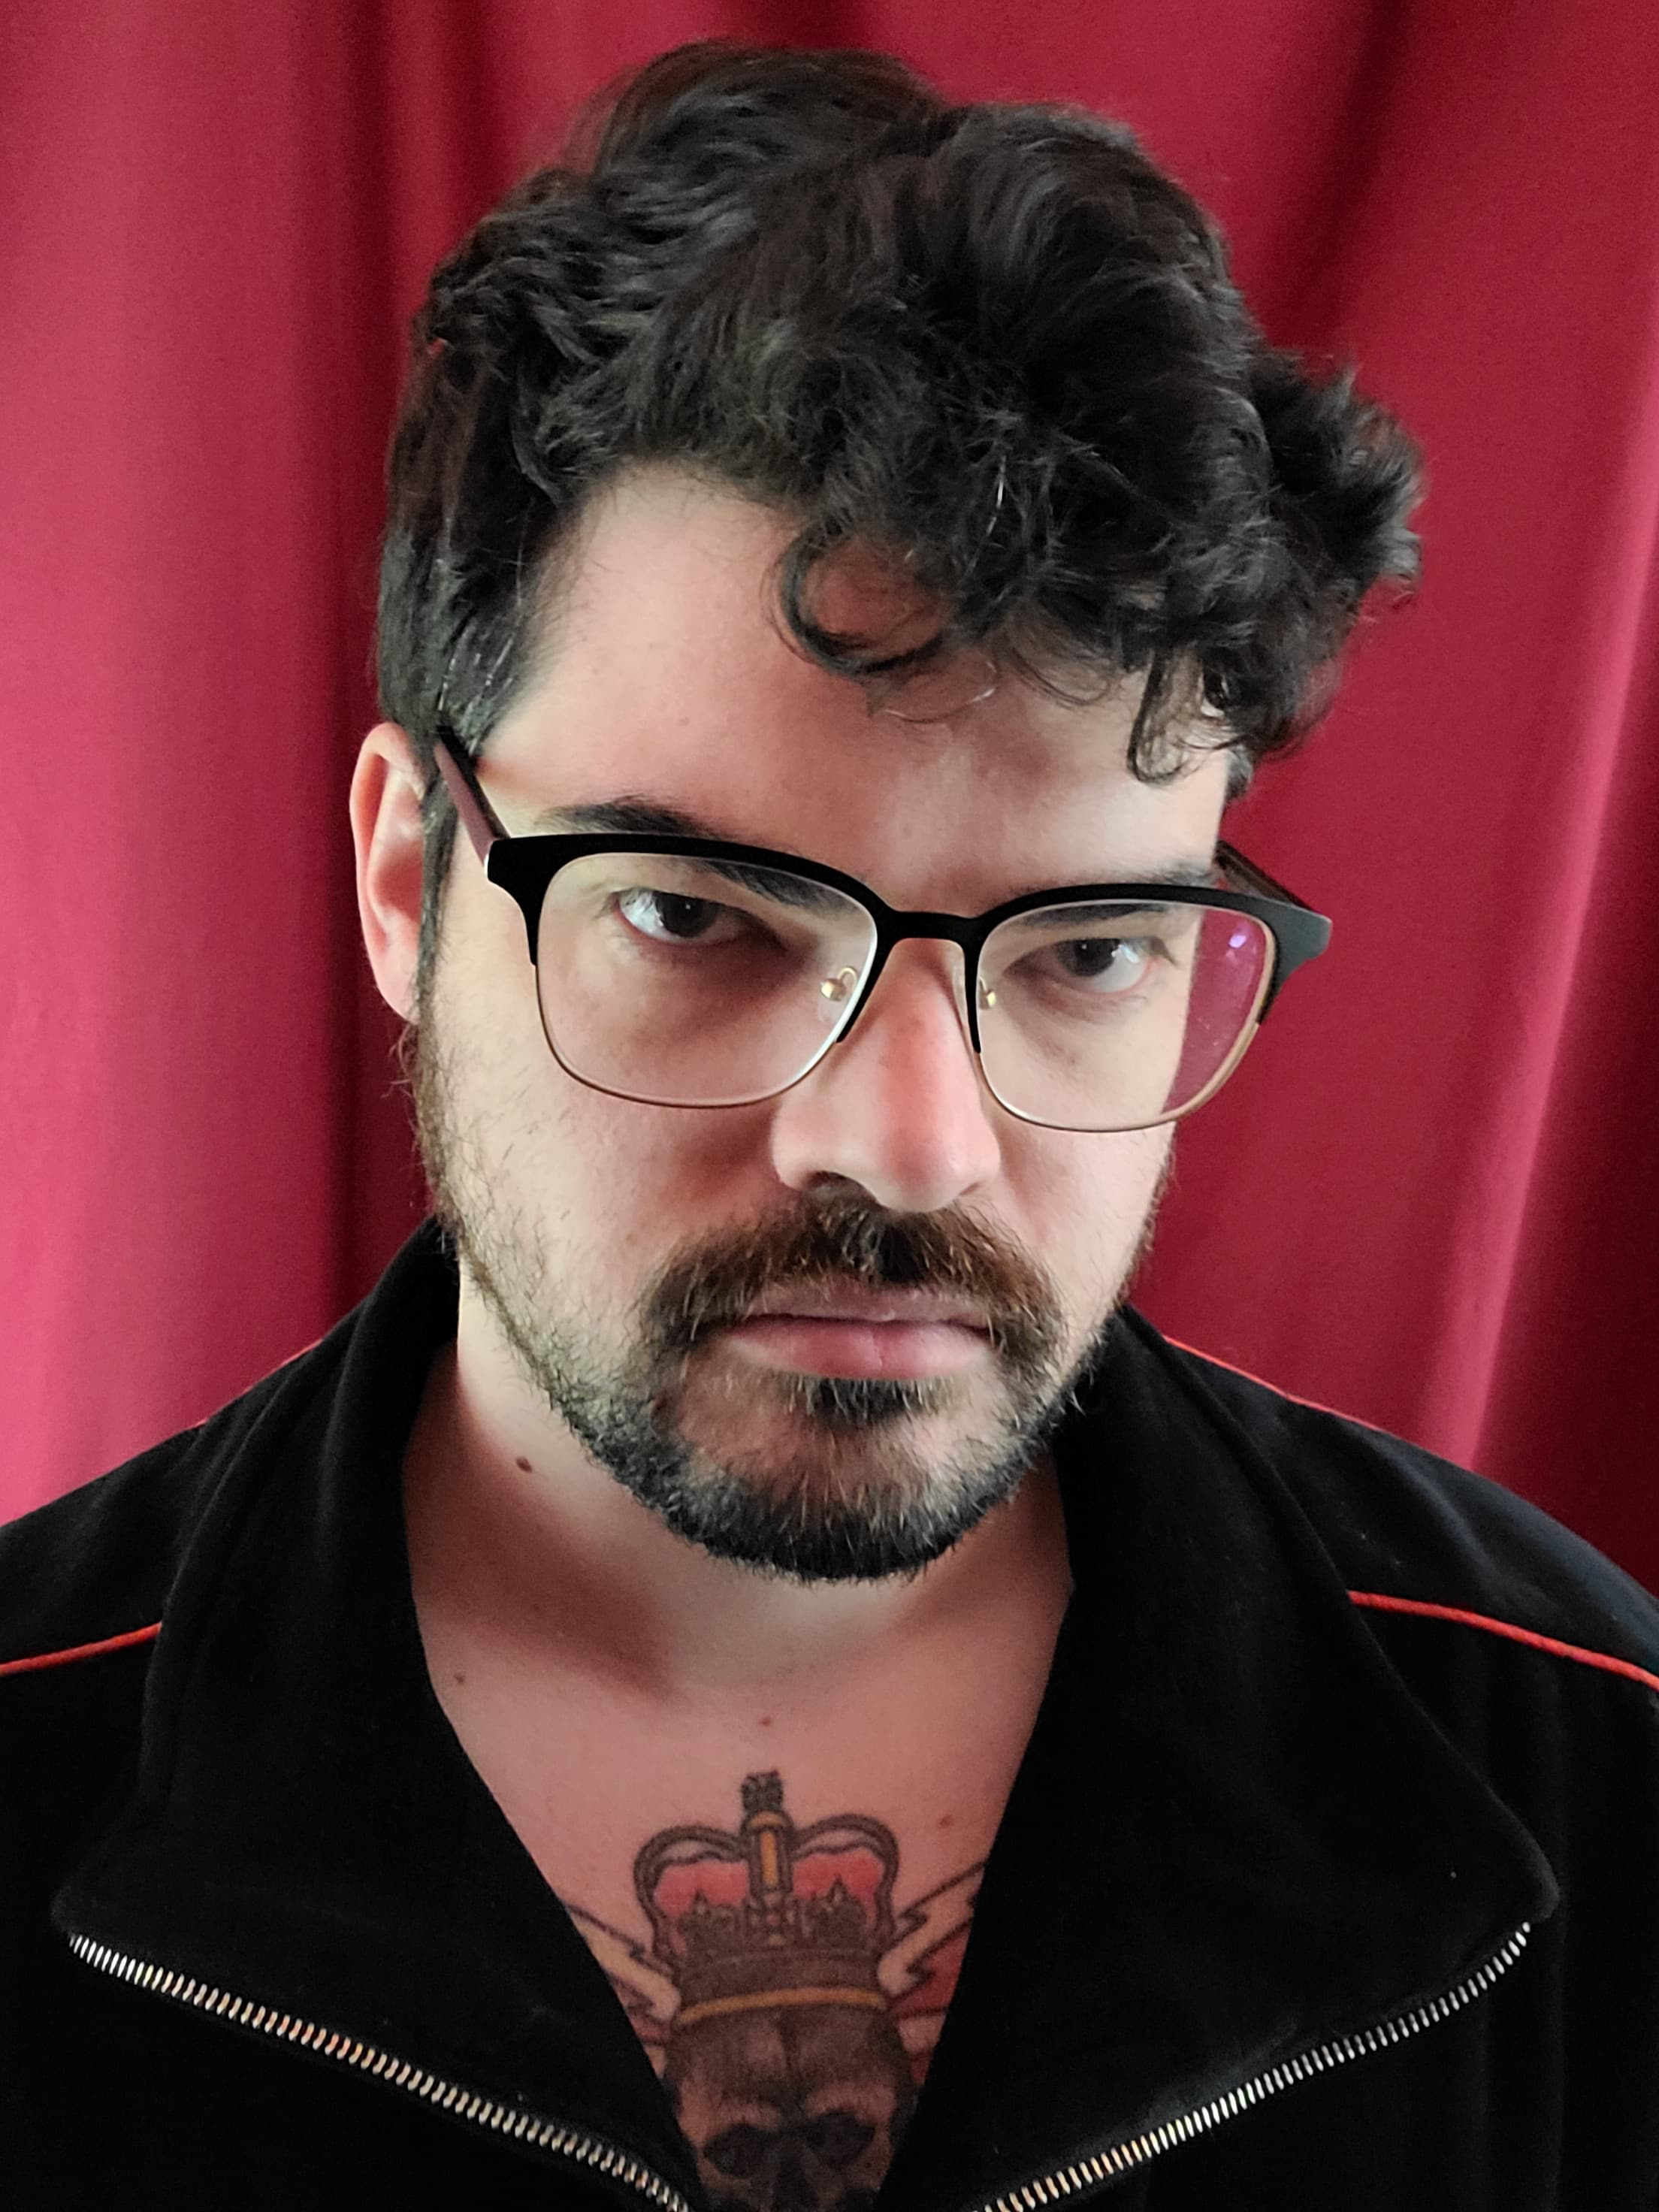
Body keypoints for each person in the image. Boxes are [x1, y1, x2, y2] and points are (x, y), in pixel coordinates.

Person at [4, 38, 1657, 2211]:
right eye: (698, 917)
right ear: (411, 882)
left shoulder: (1593, 1773)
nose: (907, 1143)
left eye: (1086, 951)